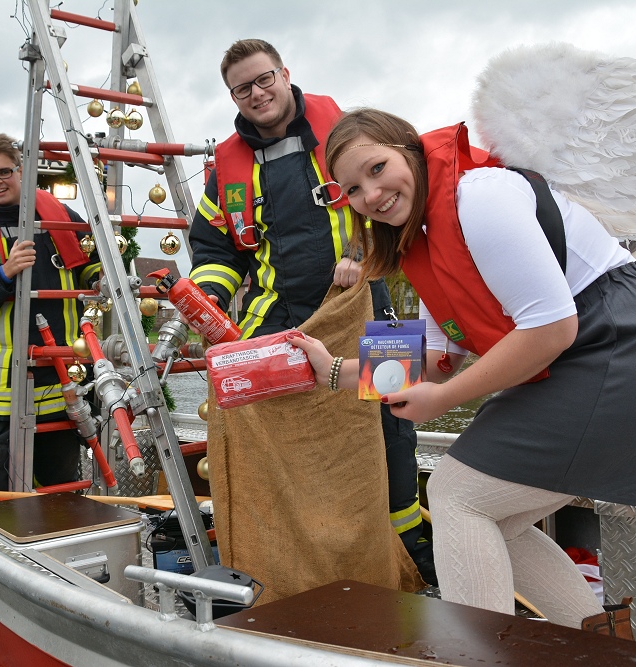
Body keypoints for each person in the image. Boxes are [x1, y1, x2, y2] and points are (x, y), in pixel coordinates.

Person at [289, 108, 636, 634]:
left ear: (411, 151)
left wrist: (443, 401)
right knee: (494, 518)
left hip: (625, 344)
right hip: (591, 350)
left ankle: (478, 655)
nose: (370, 195)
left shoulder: (478, 197)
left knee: (455, 494)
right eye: (351, 189)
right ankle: (606, 648)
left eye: (377, 168)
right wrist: (334, 372)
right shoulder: (422, 241)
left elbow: (551, 329)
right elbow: (438, 359)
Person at [187, 39, 435, 586]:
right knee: (271, 435)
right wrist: (208, 301)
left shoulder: (348, 134)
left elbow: (395, 203)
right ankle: (293, 566)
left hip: (373, 303)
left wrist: (359, 256)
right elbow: (213, 249)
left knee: (397, 416)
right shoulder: (225, 169)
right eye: (242, 88)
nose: (257, 93)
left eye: (264, 78)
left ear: (285, 74)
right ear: (232, 96)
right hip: (278, 317)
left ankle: (409, 559)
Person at [0, 133, 102, 491]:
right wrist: (4, 273)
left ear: (21, 171)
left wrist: (102, 279)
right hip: (4, 391)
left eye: (4, 171)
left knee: (61, 480)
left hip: (62, 377)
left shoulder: (62, 216)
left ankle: (56, 534)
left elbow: (89, 266)